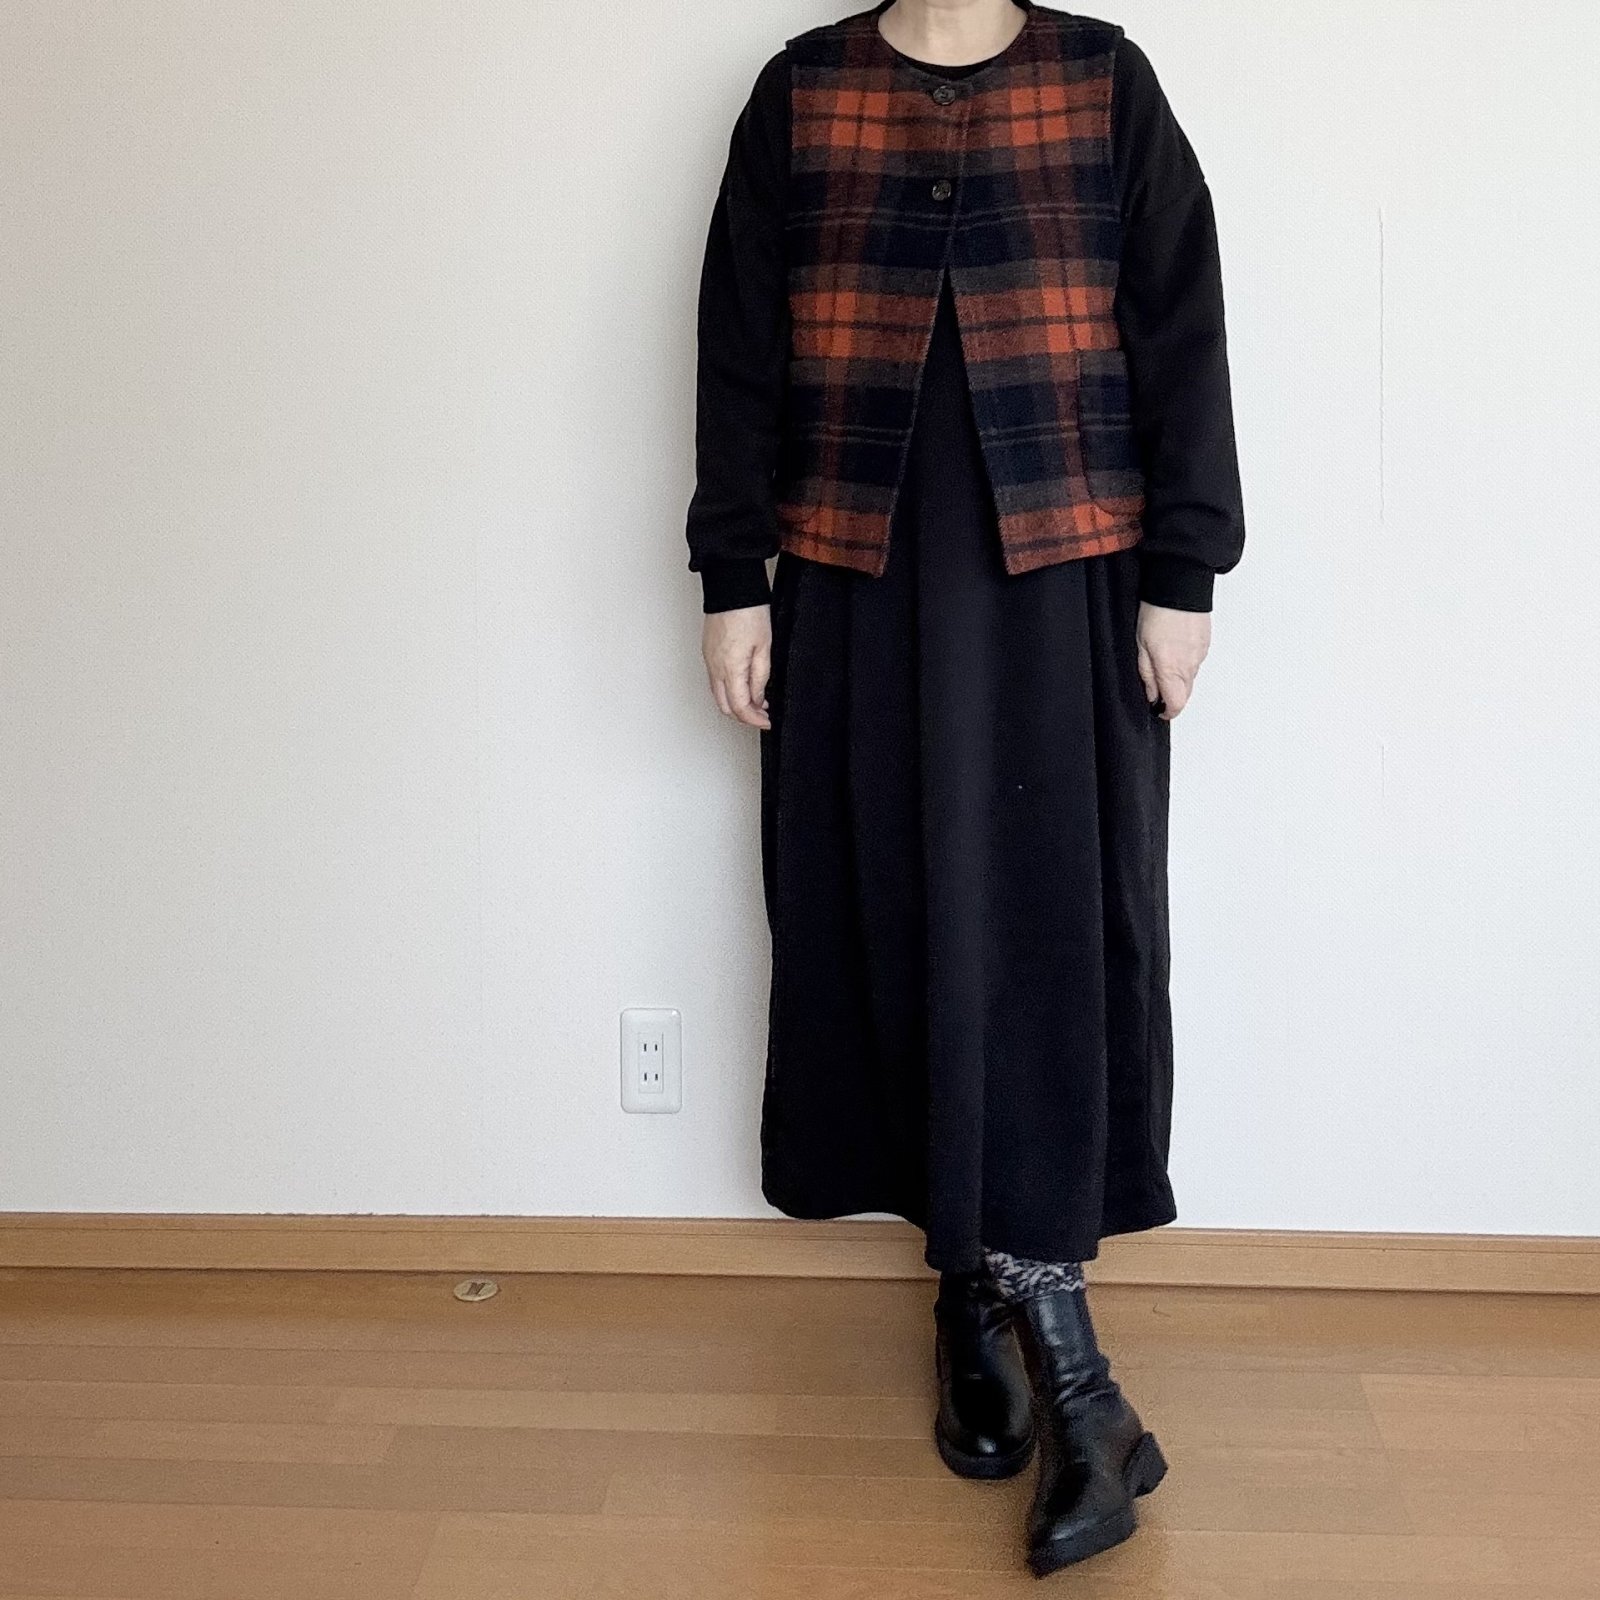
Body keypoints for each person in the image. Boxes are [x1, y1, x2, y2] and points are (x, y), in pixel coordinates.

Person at [684, 0, 1245, 1574]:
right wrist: (733, 575)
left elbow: (1182, 326)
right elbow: (737, 345)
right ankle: (968, 1293)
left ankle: (1065, 1357)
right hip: (853, 578)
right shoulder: (804, 91)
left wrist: (1185, 571)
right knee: (895, 917)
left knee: (1053, 938)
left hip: (1066, 579)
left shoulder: (1102, 80)